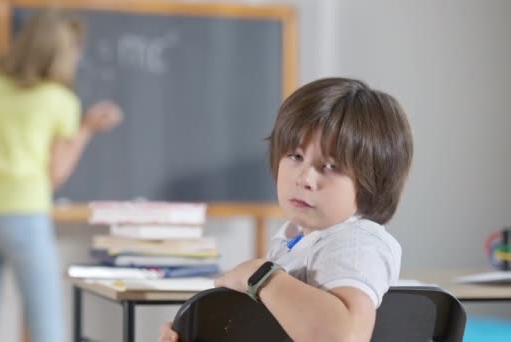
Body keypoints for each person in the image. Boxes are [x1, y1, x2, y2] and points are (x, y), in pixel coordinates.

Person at [159, 77, 413, 341]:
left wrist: (261, 277)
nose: (304, 179)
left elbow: (343, 337)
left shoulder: (356, 243)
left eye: (330, 167)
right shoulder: (297, 240)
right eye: (296, 156)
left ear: (373, 181)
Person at [0, 9, 123, 342]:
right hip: (25, 214)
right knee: (45, 327)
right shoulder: (60, 100)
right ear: (63, 53)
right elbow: (55, 174)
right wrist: (86, 129)